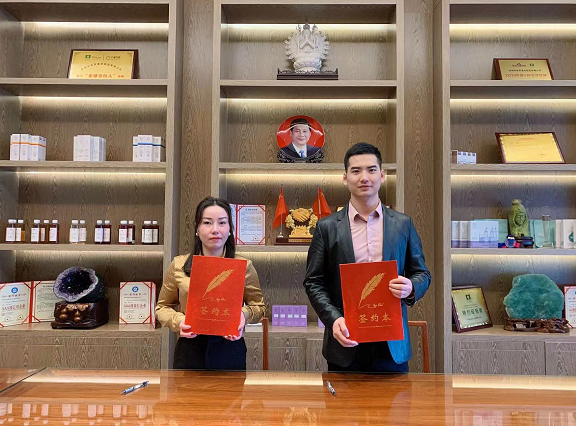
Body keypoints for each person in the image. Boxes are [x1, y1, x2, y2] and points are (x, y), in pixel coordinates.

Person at [303, 143, 431, 372]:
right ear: (345, 178)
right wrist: (333, 319)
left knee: (397, 396)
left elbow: (422, 273)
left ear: (382, 175)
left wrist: (411, 287)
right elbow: (314, 282)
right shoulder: (327, 227)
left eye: (371, 170)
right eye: (356, 171)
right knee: (342, 397)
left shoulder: (403, 224)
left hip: (392, 344)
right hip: (345, 341)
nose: (364, 177)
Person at [156, 196, 266, 370]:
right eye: (207, 223)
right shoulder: (179, 265)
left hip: (230, 349)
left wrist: (243, 315)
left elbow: (259, 306)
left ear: (230, 229)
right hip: (190, 349)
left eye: (222, 223)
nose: (215, 230)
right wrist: (179, 321)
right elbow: (162, 307)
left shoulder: (244, 266)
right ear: (197, 229)